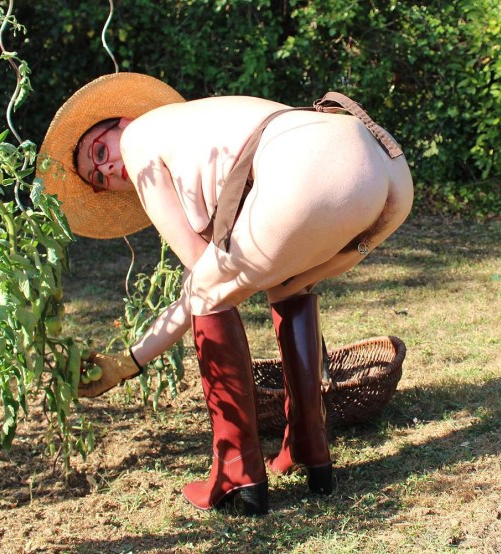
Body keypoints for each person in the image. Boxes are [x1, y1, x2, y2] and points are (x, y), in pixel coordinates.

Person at [38, 73, 413, 516]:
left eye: (99, 152)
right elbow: (224, 270)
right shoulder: (201, 128)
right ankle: (309, 445)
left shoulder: (140, 139)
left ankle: (236, 472)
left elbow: (202, 281)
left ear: (121, 122)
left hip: (313, 166)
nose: (105, 169)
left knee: (209, 294)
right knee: (287, 286)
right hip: (385, 171)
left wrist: (130, 361)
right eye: (98, 179)